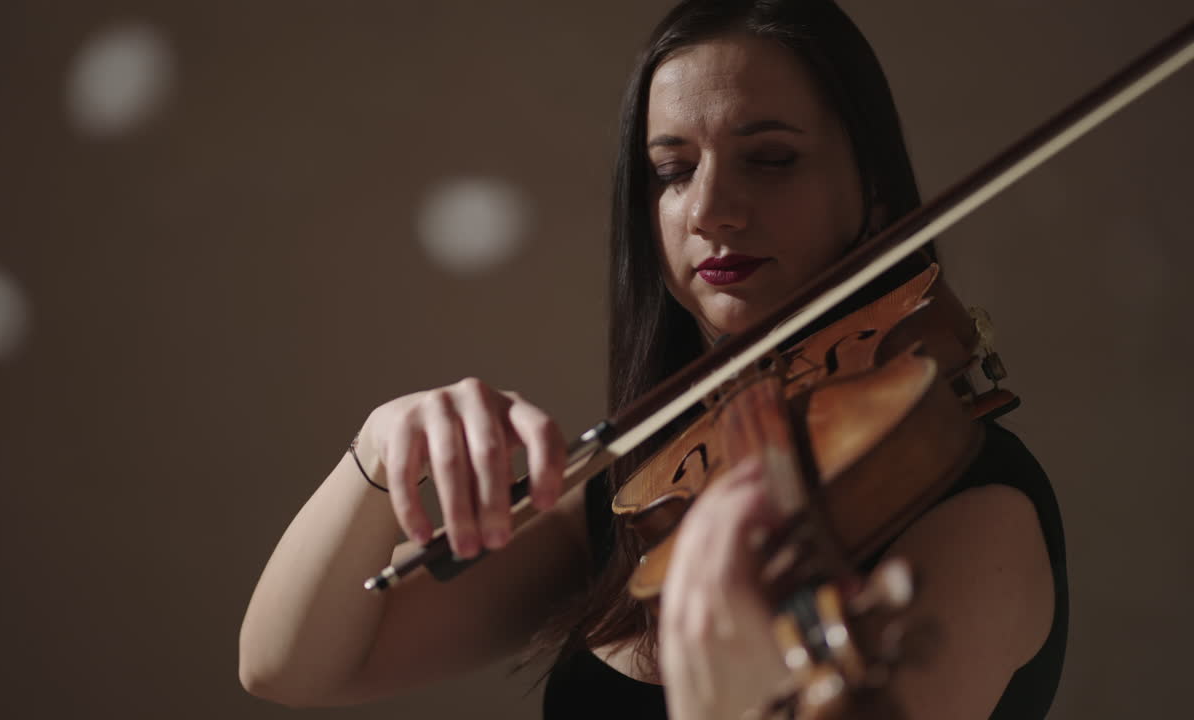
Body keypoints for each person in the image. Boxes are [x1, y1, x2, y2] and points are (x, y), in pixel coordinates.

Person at [238, 1, 1069, 718]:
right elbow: (289, 667)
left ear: (875, 190)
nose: (709, 208)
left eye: (770, 159)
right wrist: (380, 450)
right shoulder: (648, 494)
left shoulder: (976, 514)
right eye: (672, 171)